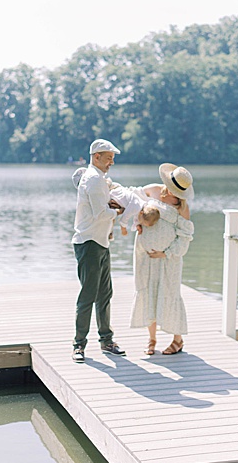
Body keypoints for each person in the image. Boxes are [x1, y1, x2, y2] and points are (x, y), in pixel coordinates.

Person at [129, 163, 195, 355]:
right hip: (145, 256)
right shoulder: (153, 190)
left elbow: (185, 237)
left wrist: (166, 253)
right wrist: (138, 221)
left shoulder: (181, 206)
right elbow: (131, 201)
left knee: (169, 293)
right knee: (148, 291)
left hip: (168, 260)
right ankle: (151, 339)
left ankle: (178, 339)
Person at [71, 139, 127, 363]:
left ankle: (106, 340)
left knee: (105, 293)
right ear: (96, 157)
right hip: (89, 243)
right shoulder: (93, 180)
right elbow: (100, 213)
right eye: (109, 157)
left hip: (101, 241)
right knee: (88, 295)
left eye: (113, 158)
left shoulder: (101, 179)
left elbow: (105, 208)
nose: (112, 162)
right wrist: (120, 211)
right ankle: (78, 345)